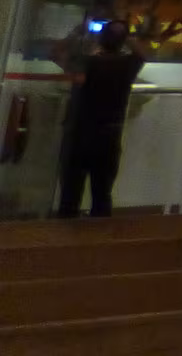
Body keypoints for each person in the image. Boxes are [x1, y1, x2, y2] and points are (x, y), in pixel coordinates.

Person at [56, 18, 146, 217]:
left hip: (79, 134)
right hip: (109, 136)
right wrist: (127, 35)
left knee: (70, 195)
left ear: (102, 38)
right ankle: (99, 232)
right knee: (102, 195)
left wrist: (77, 31)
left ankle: (64, 231)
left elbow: (56, 53)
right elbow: (141, 54)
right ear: (123, 42)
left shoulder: (87, 63)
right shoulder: (127, 66)